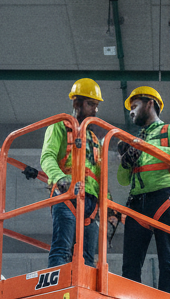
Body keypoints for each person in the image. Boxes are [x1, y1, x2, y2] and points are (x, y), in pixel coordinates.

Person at [39, 78, 118, 269]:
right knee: (62, 249)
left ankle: (82, 289)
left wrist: (108, 204)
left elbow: (100, 175)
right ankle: (58, 285)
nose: (95, 110)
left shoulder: (95, 140)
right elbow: (47, 157)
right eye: (91, 104)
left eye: (96, 105)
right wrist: (59, 178)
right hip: (67, 195)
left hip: (91, 203)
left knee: (87, 259)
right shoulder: (59, 126)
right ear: (76, 104)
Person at [117, 86, 170, 294]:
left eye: (135, 106)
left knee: (168, 259)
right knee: (130, 265)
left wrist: (145, 148)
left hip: (164, 198)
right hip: (137, 202)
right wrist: (125, 162)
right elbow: (122, 180)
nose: (131, 112)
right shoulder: (133, 141)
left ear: (150, 104)